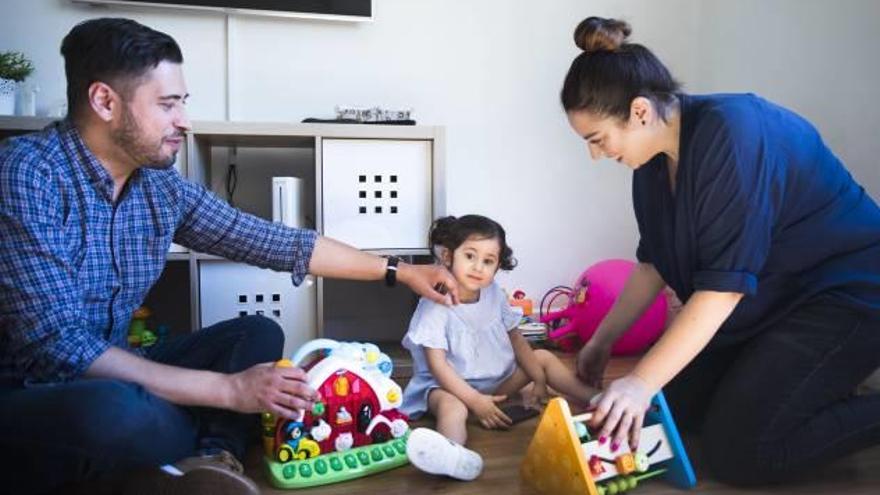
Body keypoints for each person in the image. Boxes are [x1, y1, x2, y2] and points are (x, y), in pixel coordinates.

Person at [0, 18, 459, 495]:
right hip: (34, 392)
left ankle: (211, 456)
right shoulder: (27, 171)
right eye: (167, 104)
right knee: (114, 414)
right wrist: (229, 391)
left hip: (121, 364)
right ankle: (182, 445)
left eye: (183, 103)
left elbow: (272, 241)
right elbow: (58, 347)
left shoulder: (158, 185)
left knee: (257, 331)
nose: (184, 120)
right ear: (104, 102)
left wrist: (402, 272)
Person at [561, 16, 880, 486]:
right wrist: (602, 343)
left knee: (744, 453)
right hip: (775, 300)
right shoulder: (650, 166)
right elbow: (653, 264)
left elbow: (723, 291)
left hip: (846, 293)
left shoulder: (732, 135)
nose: (596, 154)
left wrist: (639, 380)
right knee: (678, 408)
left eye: (597, 140)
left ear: (640, 113)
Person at [400, 215, 597, 481]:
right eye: (470, 256)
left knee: (542, 357)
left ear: (497, 265)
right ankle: (453, 453)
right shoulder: (436, 303)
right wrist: (474, 401)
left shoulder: (493, 293)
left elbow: (516, 338)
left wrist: (538, 380)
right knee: (453, 408)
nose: (478, 267)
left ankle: (594, 399)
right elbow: (437, 366)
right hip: (448, 386)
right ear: (448, 256)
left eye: (488, 261)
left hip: (496, 384)